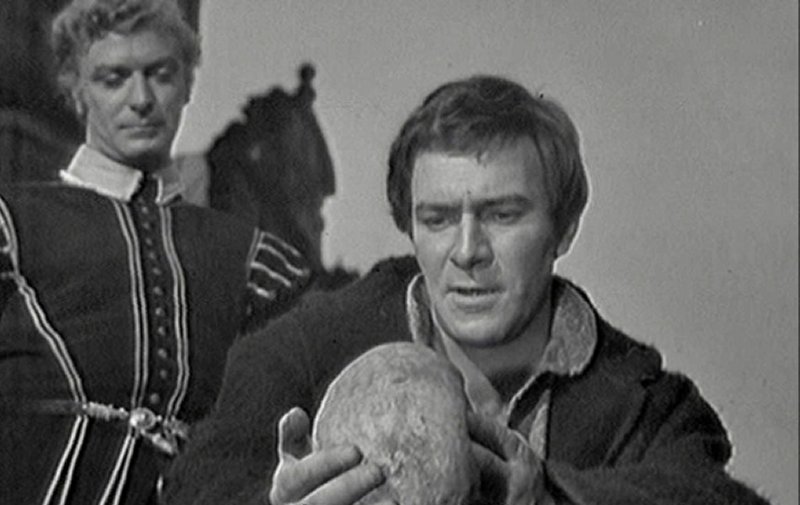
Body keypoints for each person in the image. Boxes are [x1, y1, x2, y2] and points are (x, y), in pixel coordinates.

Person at [163, 75, 770, 505]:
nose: (467, 250)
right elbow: (194, 486)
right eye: (437, 219)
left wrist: (549, 497)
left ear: (564, 228)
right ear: (409, 227)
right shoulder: (301, 352)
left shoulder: (649, 407)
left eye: (502, 215)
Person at [0, 1, 311, 503]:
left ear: (188, 84)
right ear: (76, 90)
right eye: (114, 78)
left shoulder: (252, 259)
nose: (141, 99)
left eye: (160, 75)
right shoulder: (13, 223)